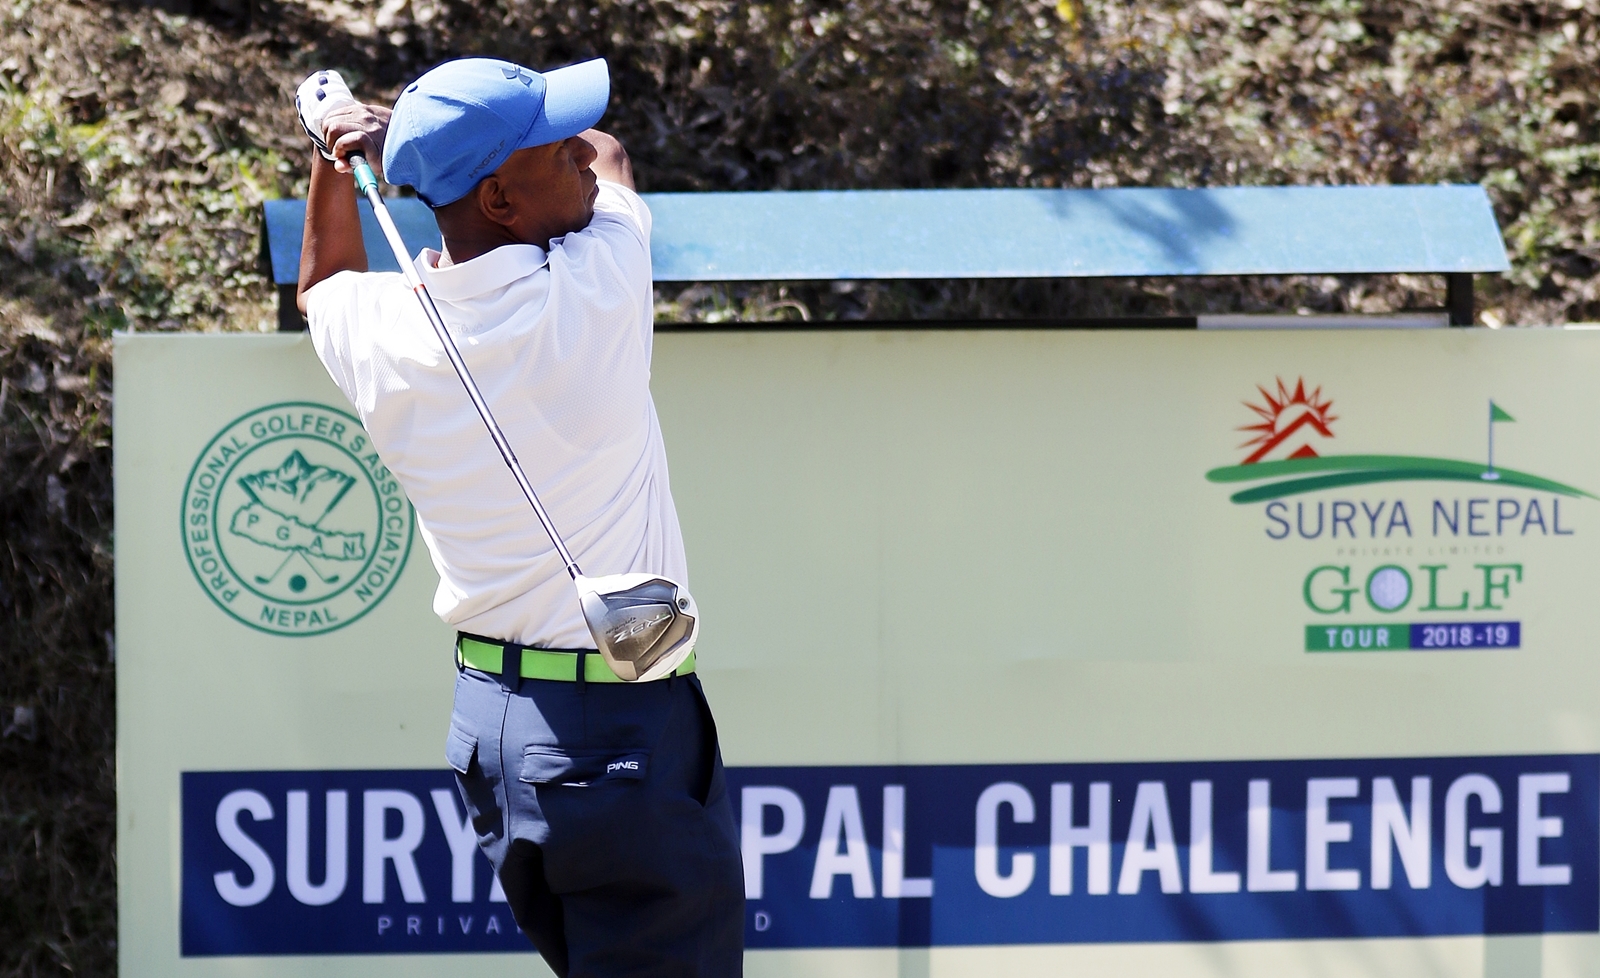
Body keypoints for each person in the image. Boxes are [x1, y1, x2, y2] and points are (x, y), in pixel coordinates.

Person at [293, 57, 745, 977]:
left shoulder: (382, 333)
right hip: (617, 730)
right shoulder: (597, 284)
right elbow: (614, 154)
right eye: (552, 146)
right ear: (498, 199)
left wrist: (336, 157)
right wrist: (391, 140)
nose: (577, 151)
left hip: (493, 728)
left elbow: (322, 281)